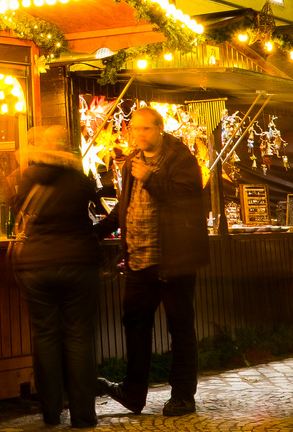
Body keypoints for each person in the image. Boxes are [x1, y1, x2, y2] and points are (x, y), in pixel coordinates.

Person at [1, 123, 113, 428]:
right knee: (78, 338)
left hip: (36, 265)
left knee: (45, 338)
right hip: (78, 263)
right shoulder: (79, 177)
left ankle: (50, 413)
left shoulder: (23, 179)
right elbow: (94, 205)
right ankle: (83, 415)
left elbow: (11, 208)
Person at [104, 105, 209, 418]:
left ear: (160, 129)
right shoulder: (131, 164)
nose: (138, 134)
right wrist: (97, 231)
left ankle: (182, 396)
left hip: (174, 261)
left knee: (180, 329)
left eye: (145, 128)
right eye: (134, 128)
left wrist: (150, 178)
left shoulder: (181, 160)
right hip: (138, 261)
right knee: (135, 328)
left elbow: (186, 198)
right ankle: (133, 392)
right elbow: (124, 207)